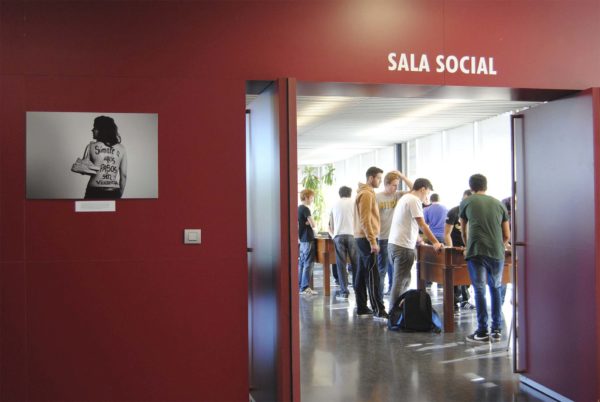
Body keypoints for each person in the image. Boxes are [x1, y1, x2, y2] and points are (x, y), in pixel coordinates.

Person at [460, 174, 510, 343]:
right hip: (497, 253)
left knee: (479, 290)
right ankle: (496, 330)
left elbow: (463, 230)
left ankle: (482, 331)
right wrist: (498, 245)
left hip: (476, 251)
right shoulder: (499, 204)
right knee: (495, 288)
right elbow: (507, 235)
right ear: (485, 186)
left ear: (471, 187)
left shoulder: (467, 202)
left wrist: (467, 246)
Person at [387, 178, 443, 310]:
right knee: (401, 283)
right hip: (403, 247)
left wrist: (418, 239)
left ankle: (396, 311)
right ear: (423, 189)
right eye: (427, 193)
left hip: (394, 244)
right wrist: (435, 242)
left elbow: (408, 223)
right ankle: (393, 312)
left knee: (403, 281)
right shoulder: (414, 200)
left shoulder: (405, 198)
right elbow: (422, 224)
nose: (426, 197)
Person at [353, 166, 388, 319]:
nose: (380, 181)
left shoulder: (365, 192)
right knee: (373, 275)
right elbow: (365, 219)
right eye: (379, 178)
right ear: (371, 178)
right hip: (366, 238)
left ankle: (361, 307)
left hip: (362, 237)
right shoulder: (366, 194)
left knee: (361, 273)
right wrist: (372, 241)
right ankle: (379, 310)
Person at [376, 170, 413, 299]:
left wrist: (402, 176)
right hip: (382, 237)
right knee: (382, 269)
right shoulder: (377, 197)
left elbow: (414, 188)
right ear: (386, 184)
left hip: (395, 239)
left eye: (397, 185)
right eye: (393, 185)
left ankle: (393, 294)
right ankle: (379, 297)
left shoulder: (398, 195)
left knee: (395, 270)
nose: (395, 188)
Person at [73, 115, 128, 199]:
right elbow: (123, 175)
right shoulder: (121, 148)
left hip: (93, 191)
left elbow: (84, 168)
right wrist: (119, 194)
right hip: (113, 191)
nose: (92, 130)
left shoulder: (91, 146)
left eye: (95, 128)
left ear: (101, 129)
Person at [444, 190, 474, 311]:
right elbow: (447, 233)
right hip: (456, 247)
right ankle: (455, 300)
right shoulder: (454, 212)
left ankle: (464, 300)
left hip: (469, 248)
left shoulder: (474, 212)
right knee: (455, 276)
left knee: (467, 275)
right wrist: (451, 249)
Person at [328, 186, 359, 300]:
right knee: (356, 264)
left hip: (339, 236)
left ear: (339, 194)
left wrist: (333, 236)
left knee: (341, 265)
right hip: (352, 235)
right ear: (350, 193)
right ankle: (357, 289)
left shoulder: (334, 204)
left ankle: (344, 292)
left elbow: (330, 225)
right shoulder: (355, 203)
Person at [298, 189, 318, 295]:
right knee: (308, 263)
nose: (312, 199)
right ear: (306, 197)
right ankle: (305, 287)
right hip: (308, 238)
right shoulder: (306, 209)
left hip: (302, 239)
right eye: (311, 197)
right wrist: (310, 222)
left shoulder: (298, 208)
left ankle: (300, 287)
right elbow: (313, 224)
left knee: (302, 263)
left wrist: (307, 223)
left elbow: (305, 223)